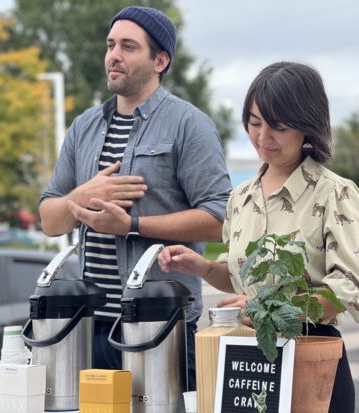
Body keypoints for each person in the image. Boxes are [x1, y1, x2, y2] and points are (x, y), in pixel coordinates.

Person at [157, 61, 359, 412]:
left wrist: (263, 310)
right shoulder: (240, 196)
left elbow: (348, 290)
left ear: (308, 126)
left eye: (279, 127)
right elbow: (242, 280)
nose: (263, 137)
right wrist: (203, 267)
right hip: (248, 363)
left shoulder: (335, 194)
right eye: (255, 122)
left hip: (311, 358)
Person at [38, 6, 232, 390]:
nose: (114, 55)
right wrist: (82, 195)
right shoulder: (84, 127)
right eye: (111, 45)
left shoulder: (189, 125)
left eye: (129, 46)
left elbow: (223, 218)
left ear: (160, 60)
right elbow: (49, 219)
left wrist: (132, 226)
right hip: (88, 328)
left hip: (160, 325)